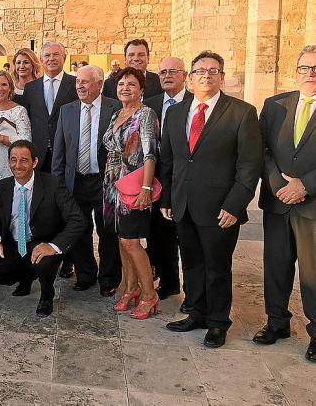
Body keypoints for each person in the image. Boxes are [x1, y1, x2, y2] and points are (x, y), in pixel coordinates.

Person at [160, 51, 262, 348]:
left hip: (220, 209)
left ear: (222, 77)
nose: (206, 75)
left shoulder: (241, 113)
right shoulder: (177, 112)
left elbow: (249, 165)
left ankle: (218, 322)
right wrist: (167, 196)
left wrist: (235, 204)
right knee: (191, 263)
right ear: (190, 78)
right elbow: (169, 159)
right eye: (200, 71)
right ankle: (197, 313)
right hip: (183, 204)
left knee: (217, 267)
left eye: (213, 71)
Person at [0, 140, 86, 317]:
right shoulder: (3, 187)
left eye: (24, 160)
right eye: (13, 160)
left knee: (44, 263)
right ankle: (25, 277)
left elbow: (78, 220)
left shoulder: (53, 184)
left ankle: (46, 295)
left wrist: (54, 246)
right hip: (14, 243)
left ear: (35, 162)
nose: (17, 166)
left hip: (42, 241)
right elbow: (0, 221)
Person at [255, 44, 316, 361]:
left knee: (313, 272)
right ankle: (276, 322)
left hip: (312, 205)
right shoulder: (275, 104)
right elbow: (261, 149)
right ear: (296, 71)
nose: (311, 74)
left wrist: (305, 184)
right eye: (305, 68)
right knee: (276, 266)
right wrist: (279, 184)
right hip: (278, 200)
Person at [52, 65, 122, 297]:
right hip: (76, 181)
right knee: (79, 230)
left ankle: (109, 278)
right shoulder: (67, 110)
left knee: (108, 231)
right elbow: (59, 151)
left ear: (99, 84)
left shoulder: (116, 108)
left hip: (106, 181)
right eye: (77, 82)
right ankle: (85, 275)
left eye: (85, 82)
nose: (79, 86)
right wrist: (58, 183)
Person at [101, 67, 160, 319]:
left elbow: (150, 153)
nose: (125, 87)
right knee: (121, 241)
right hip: (112, 185)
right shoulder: (117, 114)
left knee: (131, 241)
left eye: (131, 84)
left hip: (134, 184)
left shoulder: (146, 115)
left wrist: (146, 188)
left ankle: (149, 295)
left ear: (141, 89)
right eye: (121, 83)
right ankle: (130, 288)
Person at [143, 57, 193, 307]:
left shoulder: (195, 102)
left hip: (186, 178)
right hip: (157, 176)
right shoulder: (150, 104)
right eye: (163, 72)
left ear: (185, 75)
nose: (167, 75)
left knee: (186, 237)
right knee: (158, 234)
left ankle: (193, 293)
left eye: (173, 71)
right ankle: (168, 282)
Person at [22, 42, 78, 173]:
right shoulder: (31, 88)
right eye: (47, 55)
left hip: (66, 150)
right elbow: (27, 119)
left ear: (64, 57)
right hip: (38, 152)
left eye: (56, 55)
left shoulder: (75, 84)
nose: (51, 58)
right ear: (41, 60)